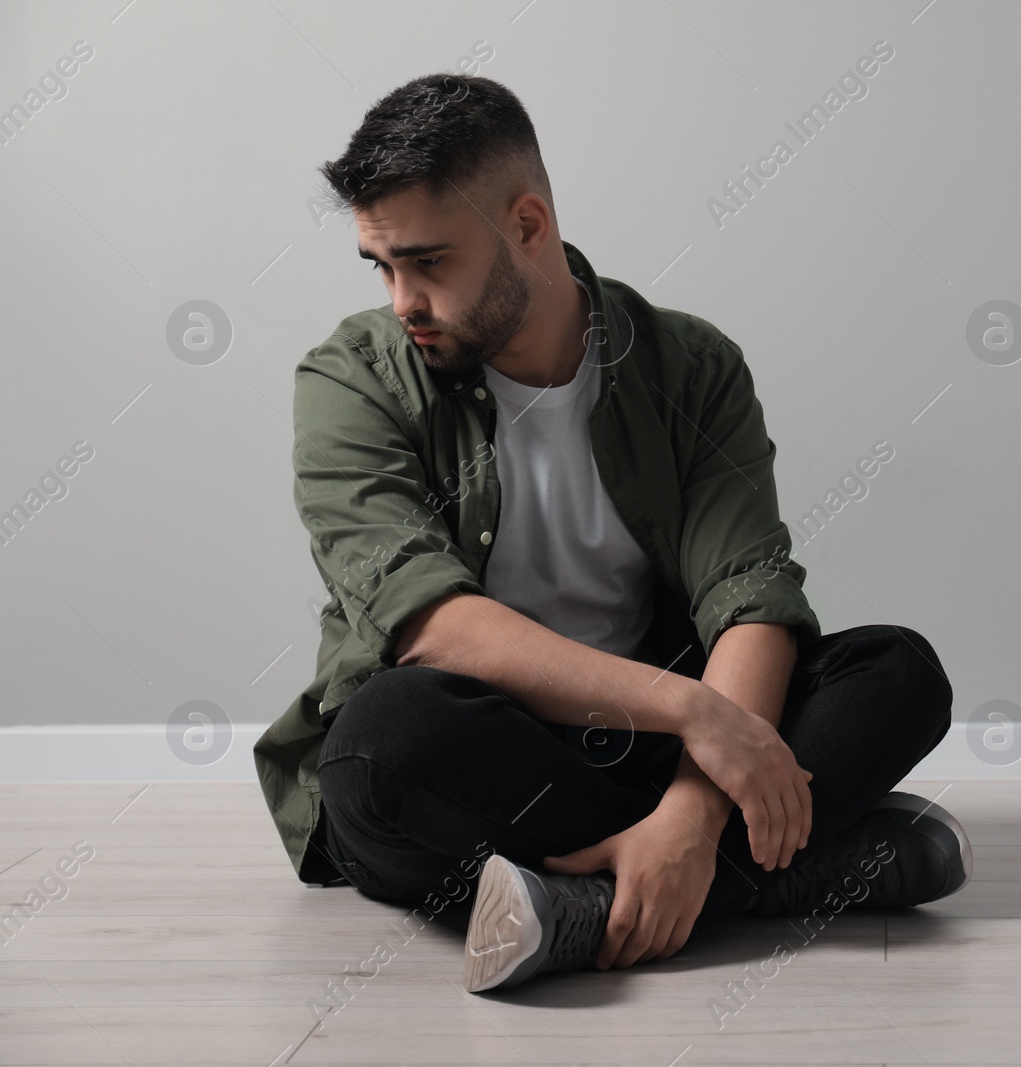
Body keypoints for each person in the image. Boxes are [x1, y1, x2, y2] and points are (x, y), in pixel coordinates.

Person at [253, 72, 970, 994]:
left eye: (428, 262)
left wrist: (691, 808)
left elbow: (747, 591)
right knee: (382, 742)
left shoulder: (691, 364)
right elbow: (430, 623)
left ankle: (589, 903)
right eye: (382, 267)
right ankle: (795, 875)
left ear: (527, 225)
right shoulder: (351, 378)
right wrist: (705, 719)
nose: (402, 300)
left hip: (659, 747)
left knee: (895, 673)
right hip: (491, 752)